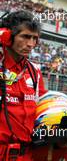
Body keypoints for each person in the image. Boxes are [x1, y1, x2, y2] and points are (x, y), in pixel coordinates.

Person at [0, 10, 47, 160]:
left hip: (26, 155)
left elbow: (42, 112)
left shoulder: (35, 72)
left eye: (35, 38)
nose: (31, 44)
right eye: (25, 36)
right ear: (7, 36)